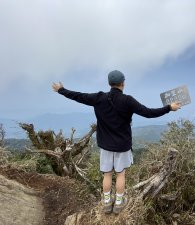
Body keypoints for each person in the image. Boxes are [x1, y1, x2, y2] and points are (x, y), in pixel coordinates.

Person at [52, 70, 181, 214]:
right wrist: (169, 108)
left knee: (107, 174)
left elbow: (78, 96)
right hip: (122, 146)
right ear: (123, 83)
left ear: (109, 84)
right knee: (120, 174)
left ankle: (107, 202)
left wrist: (61, 90)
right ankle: (119, 203)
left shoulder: (98, 98)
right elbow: (148, 113)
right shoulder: (128, 100)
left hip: (105, 145)